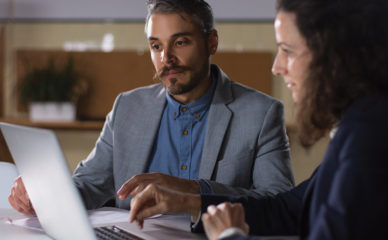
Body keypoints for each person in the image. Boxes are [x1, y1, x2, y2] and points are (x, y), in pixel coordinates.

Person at [126, 0, 388, 239]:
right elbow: (289, 208)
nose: (277, 67)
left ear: (335, 56)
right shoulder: (364, 122)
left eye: (288, 51)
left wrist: (229, 236)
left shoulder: (373, 136)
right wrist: (191, 202)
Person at [8, 0, 294, 215]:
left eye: (180, 42)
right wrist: (44, 193)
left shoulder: (261, 113)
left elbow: (281, 203)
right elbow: (89, 184)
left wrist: (194, 190)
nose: (166, 58)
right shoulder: (127, 107)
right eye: (156, 46)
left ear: (211, 42)